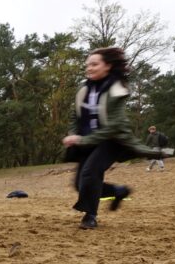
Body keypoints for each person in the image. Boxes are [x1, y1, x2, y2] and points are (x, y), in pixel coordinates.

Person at [62, 47, 164, 230]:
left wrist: (83, 140)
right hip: (86, 141)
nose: (90, 68)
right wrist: (72, 134)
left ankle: (90, 216)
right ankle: (118, 191)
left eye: (95, 64)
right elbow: (74, 115)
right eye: (88, 65)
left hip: (110, 141)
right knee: (80, 185)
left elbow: (114, 126)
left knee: (90, 173)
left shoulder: (117, 89)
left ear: (107, 66)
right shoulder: (84, 89)